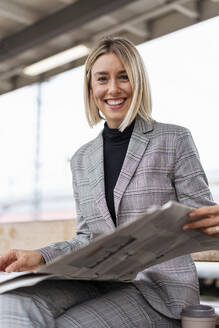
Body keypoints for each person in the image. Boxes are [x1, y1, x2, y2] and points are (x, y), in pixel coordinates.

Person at [0, 36, 216, 328]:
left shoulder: (173, 139)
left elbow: (204, 219)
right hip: (100, 281)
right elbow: (88, 237)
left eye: (123, 77)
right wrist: (40, 255)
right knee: (12, 304)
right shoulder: (81, 159)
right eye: (103, 79)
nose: (113, 88)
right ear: (91, 88)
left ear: (138, 82)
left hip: (159, 290)